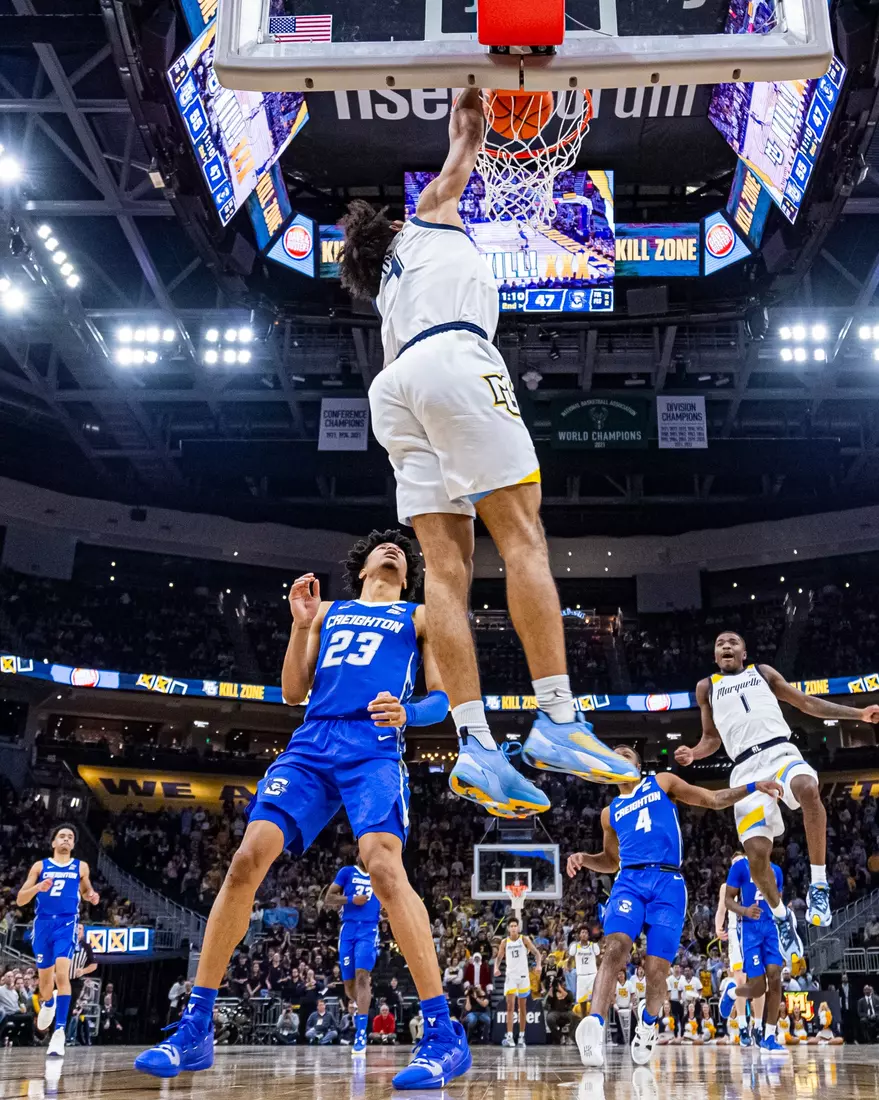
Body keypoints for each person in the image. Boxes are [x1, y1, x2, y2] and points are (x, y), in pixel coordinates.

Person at [341, 88, 640, 821]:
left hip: (393, 388)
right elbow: (467, 141)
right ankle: (558, 718)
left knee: (444, 570)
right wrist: (475, 91)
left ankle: (474, 745)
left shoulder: (385, 287)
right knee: (521, 537)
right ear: (393, 224)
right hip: (453, 359)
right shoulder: (427, 221)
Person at [135, 531, 471, 1090]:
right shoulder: (328, 612)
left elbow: (442, 698)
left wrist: (408, 711)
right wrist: (299, 623)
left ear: (407, 575)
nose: (391, 549)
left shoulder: (418, 616)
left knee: (384, 868)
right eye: (380, 546)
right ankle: (196, 1026)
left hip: (374, 747)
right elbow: (293, 690)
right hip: (313, 743)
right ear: (360, 567)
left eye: (400, 551)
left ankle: (442, 1033)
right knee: (246, 859)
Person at [567, 744, 782, 1070]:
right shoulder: (609, 813)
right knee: (615, 947)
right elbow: (611, 862)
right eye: (614, 755)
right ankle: (594, 1027)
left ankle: (648, 1023)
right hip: (629, 881)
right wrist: (585, 858)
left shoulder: (662, 782)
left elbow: (711, 799)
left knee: (656, 973)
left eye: (625, 754)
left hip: (668, 884)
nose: (618, 756)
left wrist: (753, 786)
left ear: (638, 766)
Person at [675, 632, 879, 946]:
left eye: (733, 641)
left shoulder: (763, 673)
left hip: (780, 752)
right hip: (744, 768)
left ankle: (819, 886)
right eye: (720, 643)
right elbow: (711, 738)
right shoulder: (707, 687)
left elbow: (806, 702)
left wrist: (858, 714)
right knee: (756, 856)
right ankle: (781, 915)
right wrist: (694, 752)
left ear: (744, 651)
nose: (726, 646)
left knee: (808, 787)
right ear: (715, 656)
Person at [15, 823, 100, 1059]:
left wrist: (91, 896)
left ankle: (59, 1033)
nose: (65, 839)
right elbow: (21, 899)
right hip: (42, 924)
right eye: (61, 836)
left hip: (67, 923)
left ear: (73, 844)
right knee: (44, 987)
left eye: (70, 837)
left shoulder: (80, 866)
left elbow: (86, 891)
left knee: (62, 974)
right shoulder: (40, 866)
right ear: (53, 842)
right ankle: (49, 1004)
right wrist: (38, 888)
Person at [718, 854, 788, 1055]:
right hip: (745, 928)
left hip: (770, 927)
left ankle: (767, 1036)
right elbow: (726, 903)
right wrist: (742, 912)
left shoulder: (777, 871)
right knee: (756, 985)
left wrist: (785, 921)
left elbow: (778, 903)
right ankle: (733, 996)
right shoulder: (739, 868)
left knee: (773, 981)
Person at [325, 852, 380, 1056]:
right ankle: (362, 1009)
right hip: (348, 930)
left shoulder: (378, 875)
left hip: (369, 930)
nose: (362, 854)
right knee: (349, 987)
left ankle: (361, 1033)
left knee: (362, 977)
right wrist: (350, 899)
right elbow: (328, 898)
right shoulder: (347, 872)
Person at [715, 854, 763, 1047]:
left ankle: (759, 1027)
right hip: (736, 932)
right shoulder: (727, 887)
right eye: (735, 863)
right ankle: (743, 1025)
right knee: (741, 978)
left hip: (757, 930)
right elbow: (721, 909)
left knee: (760, 981)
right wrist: (719, 928)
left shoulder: (758, 878)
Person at [494, 917, 541, 1048]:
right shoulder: (504, 942)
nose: (514, 928)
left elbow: (537, 953)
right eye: (511, 926)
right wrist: (496, 968)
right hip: (511, 977)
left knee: (523, 1008)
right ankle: (509, 1036)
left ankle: (521, 1036)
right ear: (508, 928)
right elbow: (499, 957)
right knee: (509, 1006)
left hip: (524, 976)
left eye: (515, 925)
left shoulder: (524, 939)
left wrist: (538, 965)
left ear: (518, 928)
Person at [67, 925, 97, 1044]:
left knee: (69, 1009)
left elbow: (94, 965)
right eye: (75, 928)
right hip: (60, 979)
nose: (77, 930)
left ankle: (63, 1036)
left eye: (79, 929)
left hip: (75, 981)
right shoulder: (66, 942)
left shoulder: (86, 946)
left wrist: (83, 971)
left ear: (83, 932)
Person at [568, 927, 599, 1014]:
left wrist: (600, 968)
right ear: (579, 935)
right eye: (582, 932)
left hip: (592, 975)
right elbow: (570, 958)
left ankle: (594, 1017)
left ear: (588, 935)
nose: (584, 934)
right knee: (582, 1001)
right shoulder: (575, 946)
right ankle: (584, 1019)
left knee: (594, 999)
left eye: (586, 932)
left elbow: (598, 959)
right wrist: (568, 966)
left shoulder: (593, 946)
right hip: (581, 976)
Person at [544, 976, 576, 1045]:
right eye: (560, 984)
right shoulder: (553, 992)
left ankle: (571, 1037)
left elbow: (570, 999)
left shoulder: (568, 992)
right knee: (549, 1018)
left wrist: (561, 990)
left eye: (562, 984)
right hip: (555, 1011)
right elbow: (546, 1005)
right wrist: (550, 995)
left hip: (566, 1011)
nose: (562, 985)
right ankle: (560, 1036)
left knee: (575, 1017)